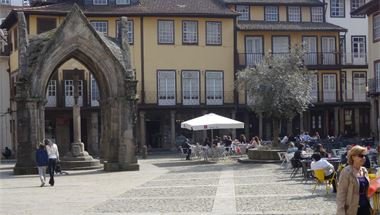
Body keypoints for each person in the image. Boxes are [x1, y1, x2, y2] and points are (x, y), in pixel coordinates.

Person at [336, 145, 371, 215]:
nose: (364, 158)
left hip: (365, 207)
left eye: (365, 156)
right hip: (352, 209)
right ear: (353, 157)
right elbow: (341, 193)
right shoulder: (346, 172)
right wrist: (341, 211)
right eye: (361, 156)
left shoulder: (364, 170)